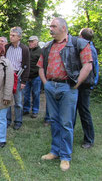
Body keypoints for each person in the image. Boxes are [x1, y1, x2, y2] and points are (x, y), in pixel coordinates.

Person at [37, 18, 92, 171]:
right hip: (51, 87)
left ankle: (65, 156)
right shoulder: (48, 46)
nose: (51, 29)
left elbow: (88, 64)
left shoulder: (78, 43)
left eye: (53, 26)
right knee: (54, 120)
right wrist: (45, 83)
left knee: (66, 123)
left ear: (63, 28)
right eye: (50, 26)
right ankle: (55, 151)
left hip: (68, 88)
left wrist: (77, 84)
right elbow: (40, 67)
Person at [76, 28, 99, 149]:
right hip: (82, 84)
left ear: (81, 37)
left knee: (84, 111)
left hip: (85, 85)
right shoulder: (89, 46)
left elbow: (90, 68)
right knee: (74, 110)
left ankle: (89, 139)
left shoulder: (88, 48)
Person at [5, 27, 30, 130]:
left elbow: (26, 66)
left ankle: (18, 121)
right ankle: (7, 120)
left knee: (18, 101)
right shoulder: (6, 47)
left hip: (18, 77)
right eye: (10, 35)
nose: (11, 37)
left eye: (13, 35)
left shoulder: (24, 49)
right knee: (7, 99)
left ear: (19, 37)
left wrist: (24, 81)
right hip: (7, 77)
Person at [23, 36, 42, 118]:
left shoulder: (40, 51)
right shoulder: (26, 50)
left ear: (36, 42)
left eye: (32, 41)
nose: (30, 43)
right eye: (29, 41)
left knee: (36, 94)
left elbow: (42, 64)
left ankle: (35, 110)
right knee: (26, 94)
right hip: (27, 76)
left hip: (36, 76)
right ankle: (26, 109)